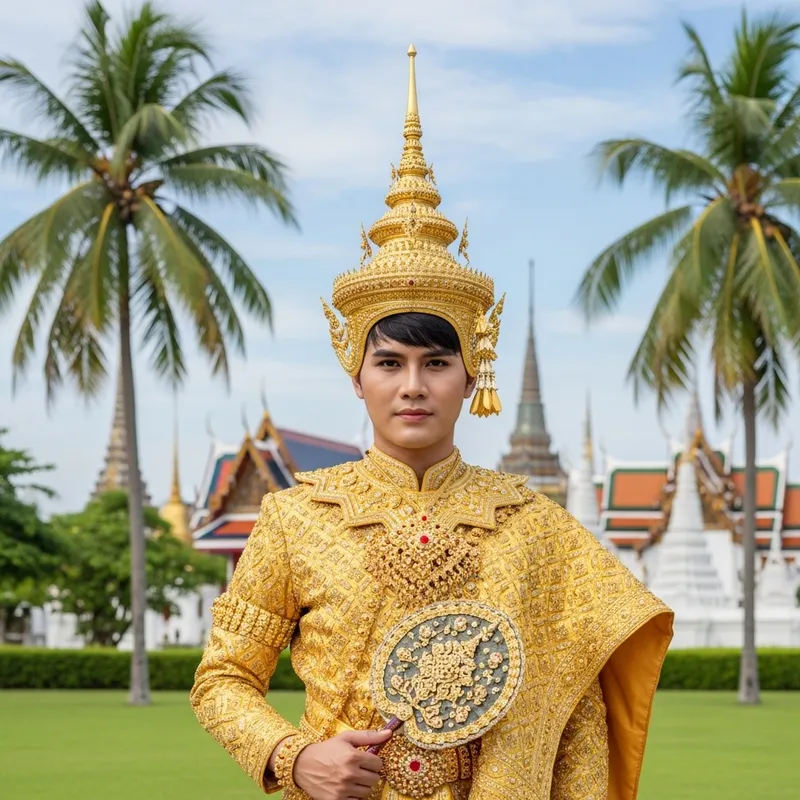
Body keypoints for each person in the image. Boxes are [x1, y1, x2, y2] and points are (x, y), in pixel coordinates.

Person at [190, 45, 674, 800]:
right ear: (356, 374)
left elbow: (578, 714)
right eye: (389, 364)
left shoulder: (533, 525)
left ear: (472, 371)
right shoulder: (295, 518)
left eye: (436, 363)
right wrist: (294, 757)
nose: (412, 387)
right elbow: (222, 680)